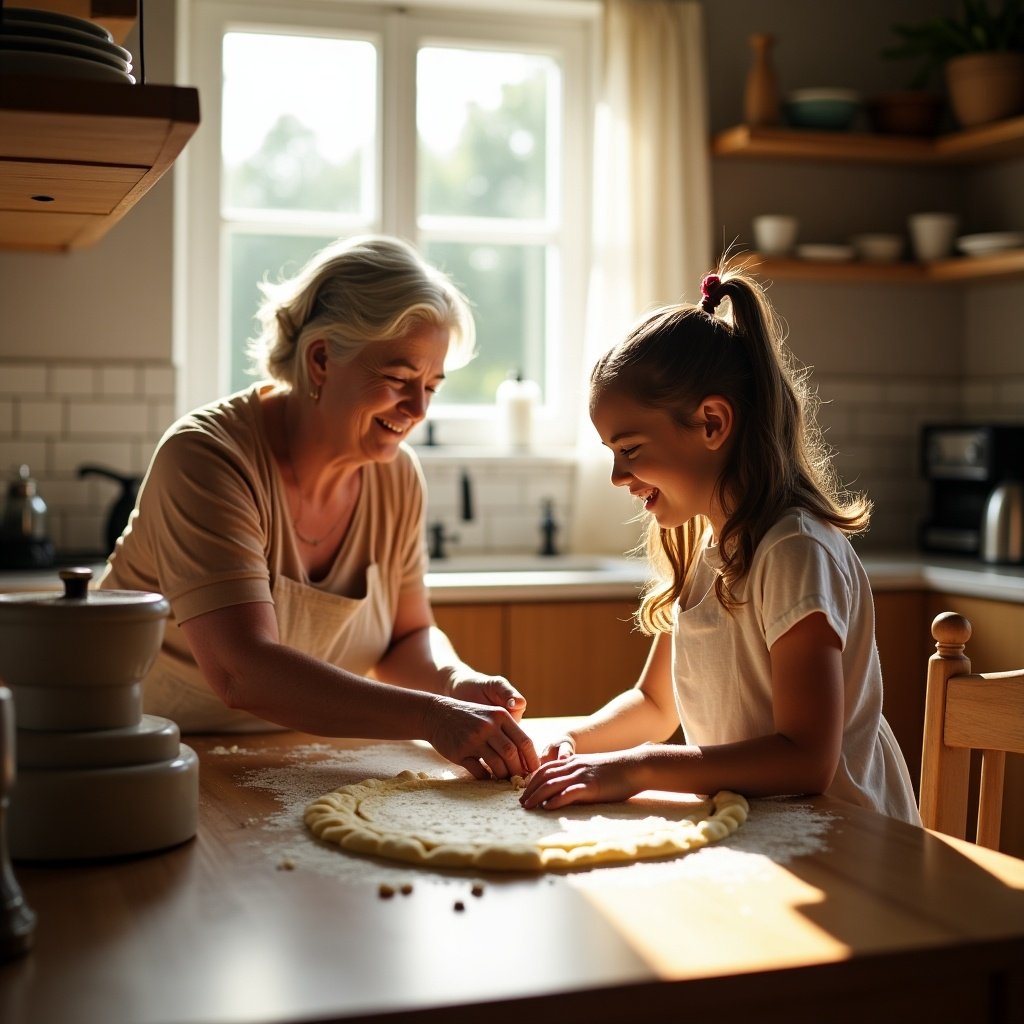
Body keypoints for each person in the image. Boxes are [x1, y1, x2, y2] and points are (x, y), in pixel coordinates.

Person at [99, 235, 538, 780]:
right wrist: (432, 715)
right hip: (139, 758)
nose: (419, 408)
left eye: (432, 385)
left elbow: (406, 636)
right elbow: (243, 671)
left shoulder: (397, 476)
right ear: (322, 358)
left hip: (296, 759)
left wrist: (453, 682)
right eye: (400, 380)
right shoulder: (208, 457)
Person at [520, 268, 920, 823]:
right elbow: (655, 705)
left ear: (712, 422)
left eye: (630, 448)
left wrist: (637, 768)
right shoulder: (705, 549)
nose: (616, 475)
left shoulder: (794, 550)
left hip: (848, 843)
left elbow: (807, 760)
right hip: (759, 830)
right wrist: (565, 740)